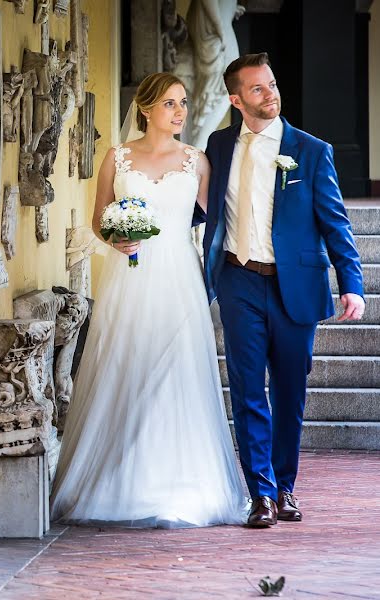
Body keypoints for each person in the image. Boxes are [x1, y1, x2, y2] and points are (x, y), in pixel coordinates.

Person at [51, 72, 247, 528]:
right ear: (145, 109)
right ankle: (120, 480)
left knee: (173, 372)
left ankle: (178, 482)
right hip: (130, 278)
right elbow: (101, 217)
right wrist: (116, 237)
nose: (180, 113)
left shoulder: (196, 162)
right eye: (170, 104)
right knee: (128, 366)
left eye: (183, 103)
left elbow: (219, 221)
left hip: (179, 279)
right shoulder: (116, 158)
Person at [202, 53, 364, 527]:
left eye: (271, 84)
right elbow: (201, 206)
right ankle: (261, 495)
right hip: (238, 281)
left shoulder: (311, 151)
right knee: (249, 389)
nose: (269, 93)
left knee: (290, 392)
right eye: (257, 89)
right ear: (236, 100)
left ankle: (286, 486)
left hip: (295, 286)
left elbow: (337, 225)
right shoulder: (218, 145)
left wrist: (351, 283)